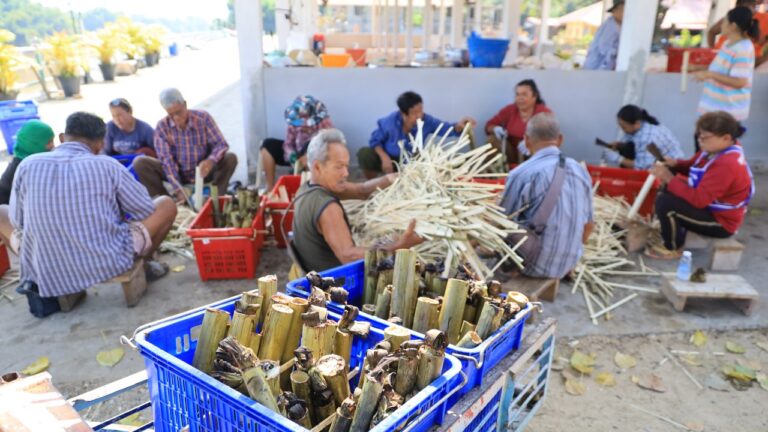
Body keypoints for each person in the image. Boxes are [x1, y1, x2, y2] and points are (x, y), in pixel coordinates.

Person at [0, 112, 178, 301]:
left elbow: (18, 222)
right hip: (109, 262)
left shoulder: (27, 164)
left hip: (47, 265)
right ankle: (144, 264)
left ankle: (37, 277)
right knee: (165, 205)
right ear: (100, 144)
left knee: (1, 212)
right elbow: (143, 209)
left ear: (62, 138)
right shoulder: (108, 165)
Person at [293, 129, 422, 272]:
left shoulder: (306, 189)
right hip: (335, 286)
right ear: (317, 167)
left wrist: (400, 177)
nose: (346, 173)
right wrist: (399, 247)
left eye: (346, 166)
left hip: (313, 273)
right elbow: (349, 256)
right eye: (339, 166)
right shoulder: (327, 208)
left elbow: (362, 190)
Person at [498, 113, 594, 279]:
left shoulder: (521, 173)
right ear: (560, 139)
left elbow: (501, 222)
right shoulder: (581, 171)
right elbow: (589, 226)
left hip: (532, 266)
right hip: (568, 264)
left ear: (526, 140)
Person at [646, 112, 753, 260]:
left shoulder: (727, 164)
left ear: (726, 138)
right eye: (699, 135)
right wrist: (675, 164)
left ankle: (672, 247)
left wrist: (669, 178)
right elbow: (693, 166)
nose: (700, 140)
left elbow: (699, 199)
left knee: (665, 203)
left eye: (704, 137)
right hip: (708, 207)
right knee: (668, 187)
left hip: (721, 222)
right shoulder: (714, 149)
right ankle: (670, 230)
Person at [133, 88, 238, 202]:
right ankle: (166, 203)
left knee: (230, 158)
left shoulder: (203, 118)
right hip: (179, 173)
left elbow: (221, 144)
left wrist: (210, 161)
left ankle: (215, 199)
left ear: (185, 105)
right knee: (140, 163)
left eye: (178, 112)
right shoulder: (162, 127)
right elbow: (167, 162)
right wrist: (178, 189)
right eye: (171, 114)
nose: (176, 118)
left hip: (203, 171)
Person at [358, 91, 475, 179]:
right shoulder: (390, 122)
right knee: (365, 153)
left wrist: (459, 127)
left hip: (411, 161)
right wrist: (384, 157)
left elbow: (446, 128)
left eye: (421, 110)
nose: (419, 115)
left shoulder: (427, 121)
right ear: (403, 113)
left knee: (436, 165)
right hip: (389, 158)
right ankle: (372, 186)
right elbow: (375, 141)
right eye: (415, 113)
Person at [696, 6, 759, 127]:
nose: (721, 25)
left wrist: (709, 74)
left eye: (724, 21)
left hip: (726, 115)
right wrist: (697, 68)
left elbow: (740, 82)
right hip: (712, 110)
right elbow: (719, 70)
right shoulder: (727, 44)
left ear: (733, 26)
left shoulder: (744, 48)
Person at [260, 95, 333, 191]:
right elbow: (288, 143)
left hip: (314, 155)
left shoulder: (324, 122)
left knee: (311, 145)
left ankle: (311, 188)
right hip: (297, 154)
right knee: (267, 144)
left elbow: (329, 143)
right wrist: (291, 155)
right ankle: (270, 188)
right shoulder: (294, 123)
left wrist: (309, 155)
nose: (303, 125)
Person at [485, 79, 552, 165]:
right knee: (492, 139)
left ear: (534, 96)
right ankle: (497, 172)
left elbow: (550, 135)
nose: (520, 98)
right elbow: (489, 125)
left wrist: (532, 141)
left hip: (533, 155)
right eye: (517, 94)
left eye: (524, 94)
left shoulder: (543, 112)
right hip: (511, 153)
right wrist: (495, 129)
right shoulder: (510, 110)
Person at [602, 105, 685, 170]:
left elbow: (643, 167)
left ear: (637, 124)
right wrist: (619, 145)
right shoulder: (642, 126)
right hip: (660, 164)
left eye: (624, 127)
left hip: (673, 169)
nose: (623, 130)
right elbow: (631, 140)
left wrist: (618, 159)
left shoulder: (647, 137)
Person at [0, 120, 55, 205]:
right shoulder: (23, 167)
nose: (52, 146)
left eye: (52, 141)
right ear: (33, 144)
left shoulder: (29, 158)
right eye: (49, 142)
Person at [707, 0, 768, 67]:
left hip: (749, 63)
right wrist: (712, 51)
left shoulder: (744, 47)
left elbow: (739, 75)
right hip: (721, 59)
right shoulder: (728, 43)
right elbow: (712, 32)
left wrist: (763, 59)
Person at [583, 0, 624, 70]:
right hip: (597, 66)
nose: (624, 13)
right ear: (615, 11)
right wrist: (619, 52)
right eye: (622, 9)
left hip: (599, 68)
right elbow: (604, 48)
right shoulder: (611, 26)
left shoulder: (617, 25)